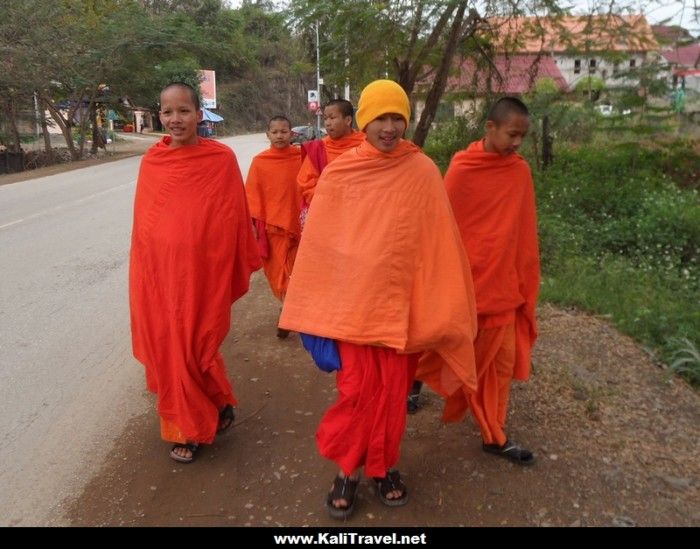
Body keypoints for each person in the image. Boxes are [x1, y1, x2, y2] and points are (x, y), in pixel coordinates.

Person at [279, 80, 478, 520]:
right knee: (356, 393)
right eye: (380, 119)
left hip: (400, 310)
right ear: (364, 121)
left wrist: (437, 305)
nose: (389, 128)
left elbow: (438, 246)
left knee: (391, 397)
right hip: (354, 310)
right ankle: (348, 470)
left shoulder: (423, 170)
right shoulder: (341, 173)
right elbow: (323, 249)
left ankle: (384, 466)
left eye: (397, 118)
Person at [129, 82, 261, 464]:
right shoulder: (152, 162)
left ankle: (212, 408)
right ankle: (191, 423)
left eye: (184, 111)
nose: (175, 119)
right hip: (160, 277)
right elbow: (145, 229)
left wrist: (221, 265)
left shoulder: (219, 160)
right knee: (172, 348)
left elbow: (232, 220)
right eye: (168, 112)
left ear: (198, 115)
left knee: (196, 344)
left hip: (201, 275)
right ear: (159, 115)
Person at [437, 96, 541, 465]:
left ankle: (493, 434)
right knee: (448, 350)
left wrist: (522, 275)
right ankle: (416, 381)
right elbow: (444, 228)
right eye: (512, 134)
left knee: (499, 364)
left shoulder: (519, 171)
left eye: (522, 137)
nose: (516, 143)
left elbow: (522, 231)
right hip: (467, 284)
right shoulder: (463, 168)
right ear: (490, 128)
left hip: (503, 286)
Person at [245, 115, 303, 338]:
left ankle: (286, 313)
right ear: (267, 134)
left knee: (296, 274)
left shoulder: (301, 158)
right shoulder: (260, 162)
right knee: (279, 273)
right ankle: (287, 310)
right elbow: (252, 196)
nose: (280, 136)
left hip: (299, 227)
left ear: (291, 133)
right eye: (275, 132)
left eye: (284, 131)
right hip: (272, 229)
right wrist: (253, 227)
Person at [296, 99, 365, 224]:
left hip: (361, 214)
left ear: (348, 120)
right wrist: (331, 201)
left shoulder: (365, 145)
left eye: (332, 118)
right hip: (328, 216)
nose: (327, 123)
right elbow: (306, 183)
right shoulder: (318, 148)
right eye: (325, 119)